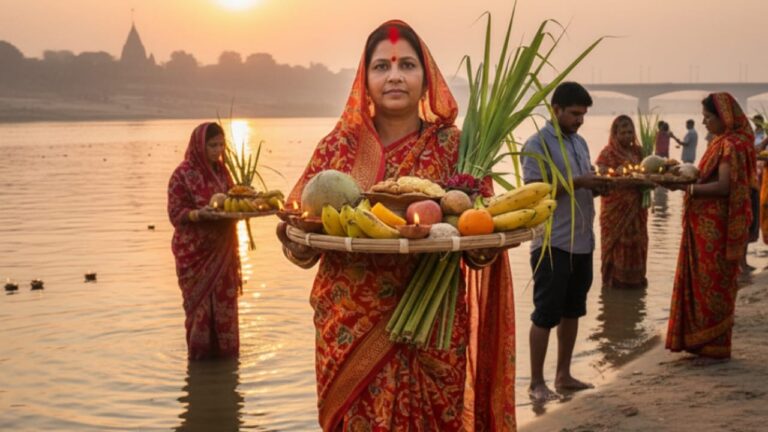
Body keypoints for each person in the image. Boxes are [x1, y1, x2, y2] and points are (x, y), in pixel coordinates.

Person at [275, 21, 516, 431]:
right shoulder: (337, 147)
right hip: (348, 319)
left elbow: (478, 233)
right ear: (364, 79)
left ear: (427, 79)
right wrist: (294, 244)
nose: (395, 77)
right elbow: (304, 229)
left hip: (432, 318)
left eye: (407, 65)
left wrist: (482, 248)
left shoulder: (454, 148)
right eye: (381, 67)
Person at [522, 82, 609, 402]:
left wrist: (597, 186)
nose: (580, 120)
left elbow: (584, 184)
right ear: (555, 110)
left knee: (574, 310)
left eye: (583, 114)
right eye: (574, 114)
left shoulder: (581, 143)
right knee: (545, 313)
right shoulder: (537, 144)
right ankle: (535, 383)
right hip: (552, 242)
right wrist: (578, 182)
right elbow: (533, 193)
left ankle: (564, 374)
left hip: (583, 240)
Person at [665, 93, 756, 362]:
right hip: (704, 225)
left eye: (708, 117)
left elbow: (725, 187)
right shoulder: (723, 142)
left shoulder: (730, 145)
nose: (704, 122)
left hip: (715, 228)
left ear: (723, 117)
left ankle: (712, 343)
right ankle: (703, 343)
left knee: (712, 283)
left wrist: (688, 188)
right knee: (706, 282)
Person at [167, 122, 242, 360]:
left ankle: (226, 366)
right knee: (199, 311)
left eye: (221, 145)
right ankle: (199, 360)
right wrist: (199, 214)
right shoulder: (182, 175)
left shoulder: (222, 172)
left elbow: (232, 201)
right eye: (212, 145)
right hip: (195, 254)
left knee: (225, 307)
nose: (218, 150)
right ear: (199, 146)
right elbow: (175, 213)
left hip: (223, 251)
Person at [596, 115, 648, 289]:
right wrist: (617, 174)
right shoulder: (607, 153)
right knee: (616, 247)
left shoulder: (640, 152)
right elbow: (603, 177)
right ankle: (613, 284)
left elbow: (649, 174)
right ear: (615, 134)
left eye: (630, 132)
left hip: (637, 210)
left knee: (637, 244)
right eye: (623, 132)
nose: (627, 136)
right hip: (614, 210)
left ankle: (634, 289)